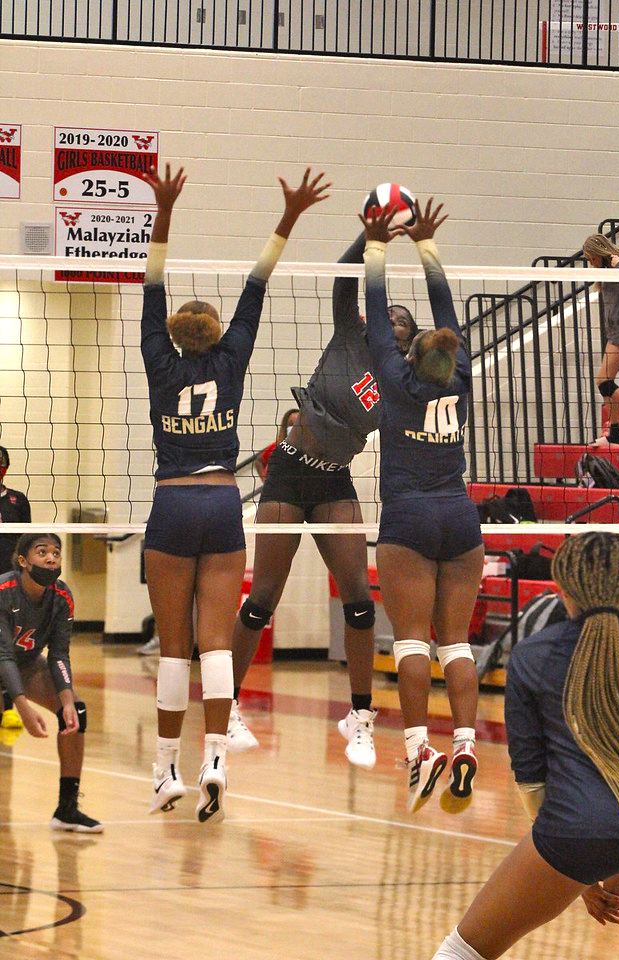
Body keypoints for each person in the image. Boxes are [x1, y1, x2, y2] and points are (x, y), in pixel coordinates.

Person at [141, 162, 330, 824]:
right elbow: (257, 283)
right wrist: (289, 216)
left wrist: (164, 209)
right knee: (216, 644)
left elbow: (153, 281)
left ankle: (166, 768)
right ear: (219, 333)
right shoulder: (233, 359)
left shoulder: (158, 361)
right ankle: (215, 758)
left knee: (174, 649)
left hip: (172, 503)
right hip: (223, 503)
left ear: (171, 334)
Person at [228, 229, 418, 769]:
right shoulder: (350, 334)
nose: (394, 318)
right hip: (289, 474)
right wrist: (369, 239)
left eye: (403, 320)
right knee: (262, 598)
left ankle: (359, 716)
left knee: (359, 600)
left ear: (408, 340)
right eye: (390, 312)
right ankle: (228, 706)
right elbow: (342, 279)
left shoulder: (400, 380)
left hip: (336, 480)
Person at [429, 530, 619, 959]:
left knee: (461, 952)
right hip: (598, 826)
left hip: (574, 830)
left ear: (561, 590)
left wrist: (571, 862)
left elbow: (531, 781)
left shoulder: (533, 654)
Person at [359, 199, 484, 813]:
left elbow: (377, 310)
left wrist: (376, 244)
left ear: (410, 357)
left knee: (411, 641)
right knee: (455, 643)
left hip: (408, 517)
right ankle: (465, 744)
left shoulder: (394, 378)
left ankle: (418, 751)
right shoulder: (460, 379)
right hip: (460, 515)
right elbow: (446, 311)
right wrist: (426, 244)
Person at [0, 532, 102, 832]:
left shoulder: (61, 596)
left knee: (76, 712)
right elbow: (3, 655)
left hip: (27, 663)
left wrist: (67, 701)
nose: (51, 559)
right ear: (23, 561)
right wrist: (22, 708)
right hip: (4, 660)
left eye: (56, 553)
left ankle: (66, 809)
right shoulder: (4, 591)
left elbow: (59, 654)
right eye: (42, 552)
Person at [582, 234, 619, 448]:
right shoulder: (607, 269)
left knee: (604, 381)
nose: (591, 263)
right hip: (616, 330)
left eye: (592, 258)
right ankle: (614, 432)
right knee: (606, 381)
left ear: (600, 253)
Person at [0, 446, 31, 732]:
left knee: (6, 645)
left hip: (8, 583)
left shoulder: (17, 500)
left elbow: (26, 542)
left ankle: (8, 709)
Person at [255, 408, 299, 481]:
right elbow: (259, 461)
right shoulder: (277, 446)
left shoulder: (308, 449)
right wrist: (264, 479)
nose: (294, 428)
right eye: (291, 424)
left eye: (297, 425)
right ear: (285, 426)